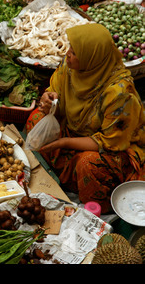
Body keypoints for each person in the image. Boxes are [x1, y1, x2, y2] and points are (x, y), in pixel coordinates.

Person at [26, 23, 145, 214]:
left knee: (88, 164)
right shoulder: (71, 67)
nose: (68, 54)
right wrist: (49, 101)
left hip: (113, 147)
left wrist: (64, 142)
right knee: (37, 119)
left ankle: (100, 203)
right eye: (70, 49)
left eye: (75, 52)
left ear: (93, 59)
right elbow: (54, 92)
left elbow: (110, 142)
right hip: (76, 131)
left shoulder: (119, 93)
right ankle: (69, 177)